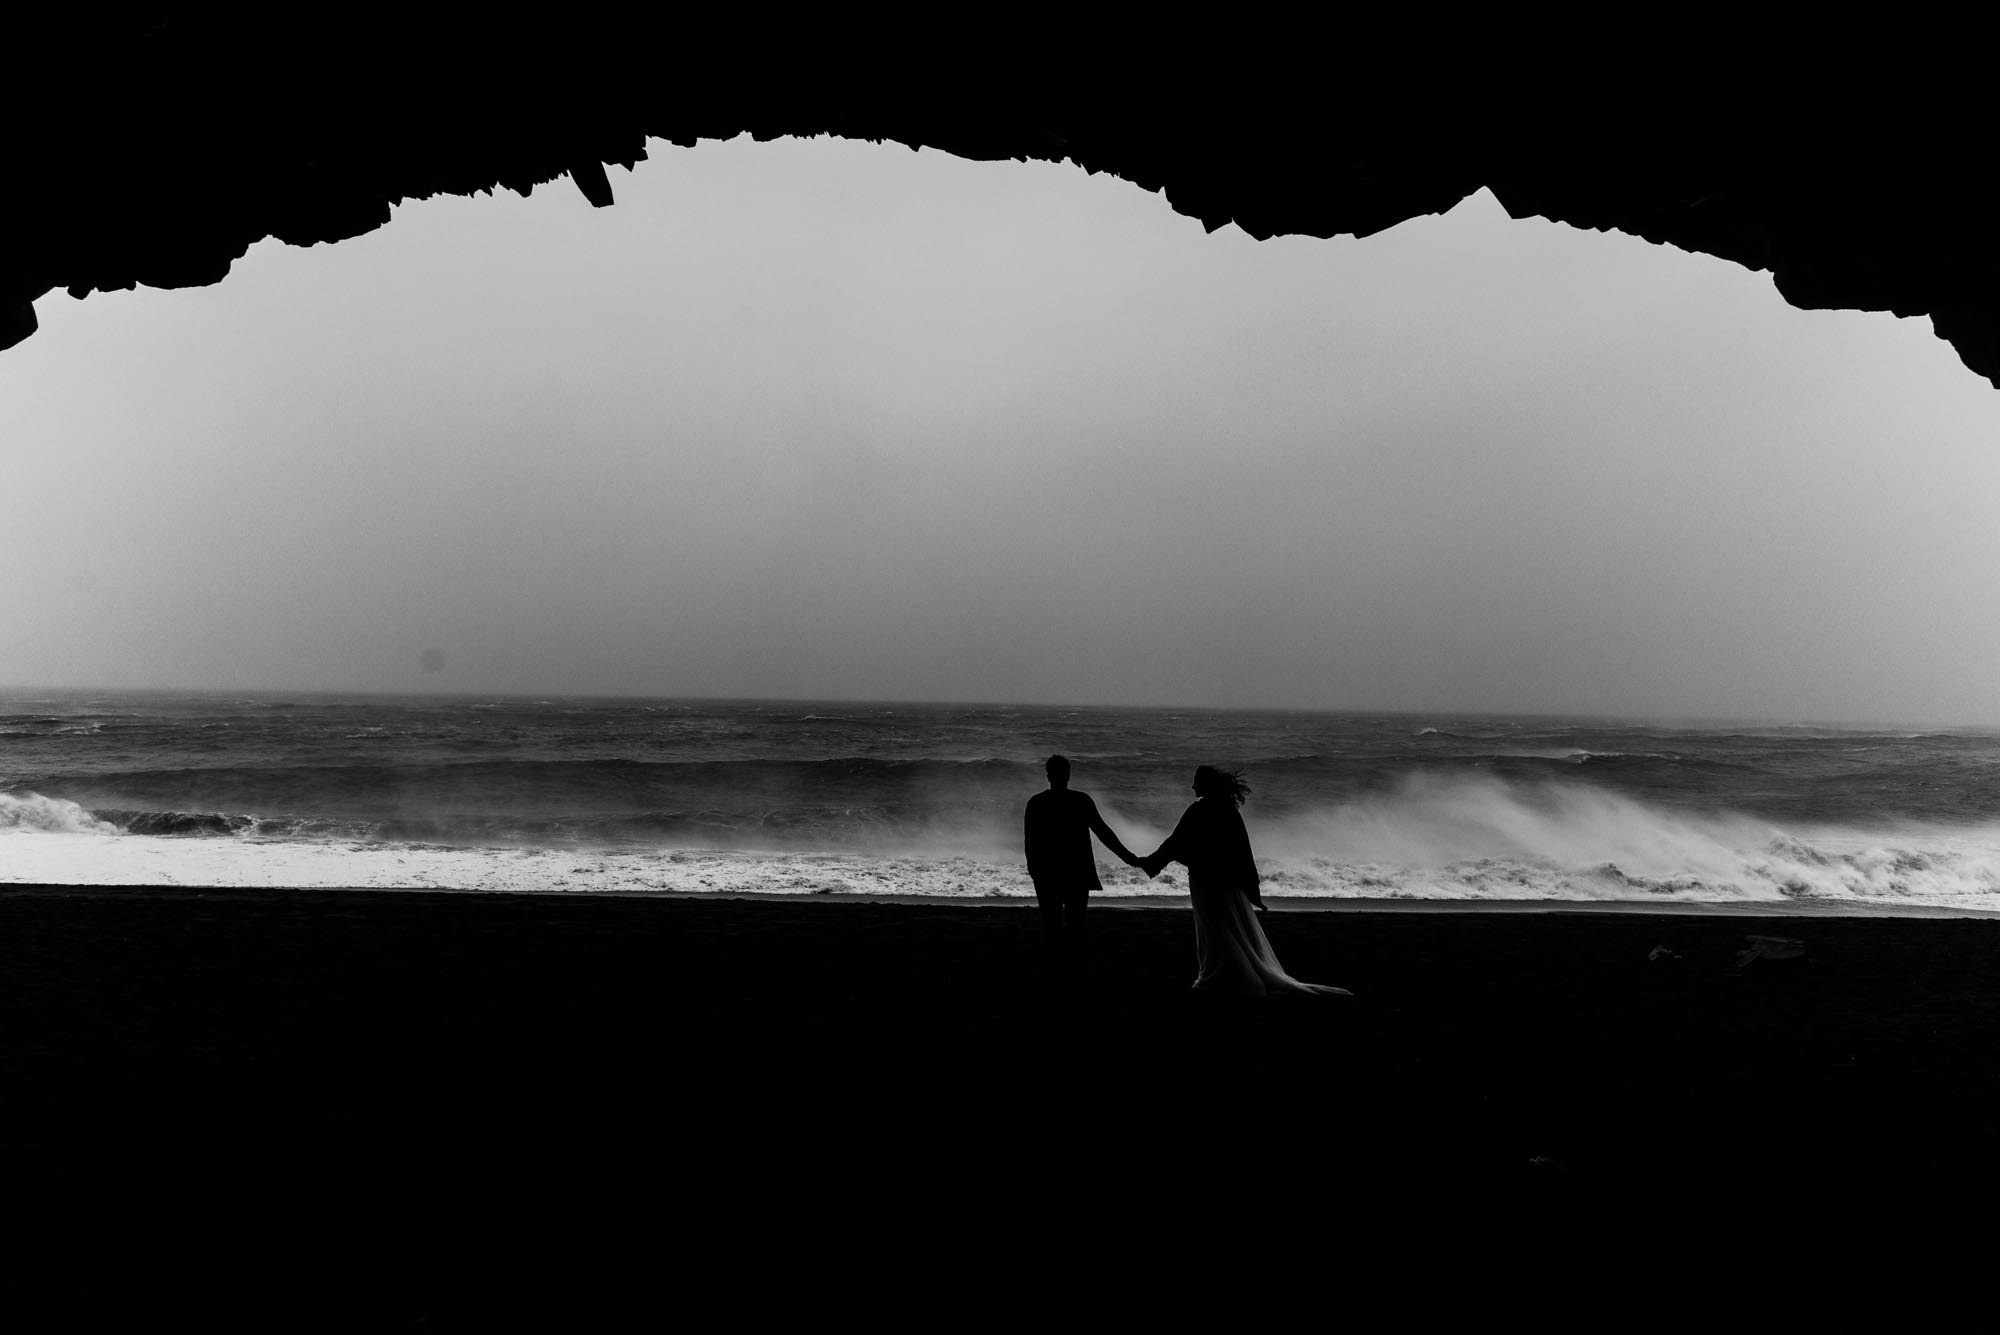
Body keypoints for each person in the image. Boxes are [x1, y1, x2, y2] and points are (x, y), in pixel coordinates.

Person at [1140, 765, 1351, 999]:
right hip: (1227, 881)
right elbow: (1243, 851)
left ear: (1206, 784)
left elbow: (1175, 842)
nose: (1192, 786)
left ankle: (1221, 976)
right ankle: (1225, 974)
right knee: (1227, 925)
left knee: (1214, 927)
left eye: (1196, 781)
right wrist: (1252, 889)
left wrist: (1151, 862)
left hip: (1205, 880)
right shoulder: (1228, 809)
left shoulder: (1198, 810)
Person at [1023, 754, 1141, 980]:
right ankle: (1073, 974)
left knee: (1051, 926)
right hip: (1076, 872)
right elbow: (1103, 833)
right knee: (1076, 925)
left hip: (1047, 873)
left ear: (1048, 776)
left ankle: (1054, 974)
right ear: (1068, 775)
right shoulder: (1081, 801)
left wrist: (1034, 869)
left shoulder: (1036, 802)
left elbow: (1030, 842)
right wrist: (1129, 857)